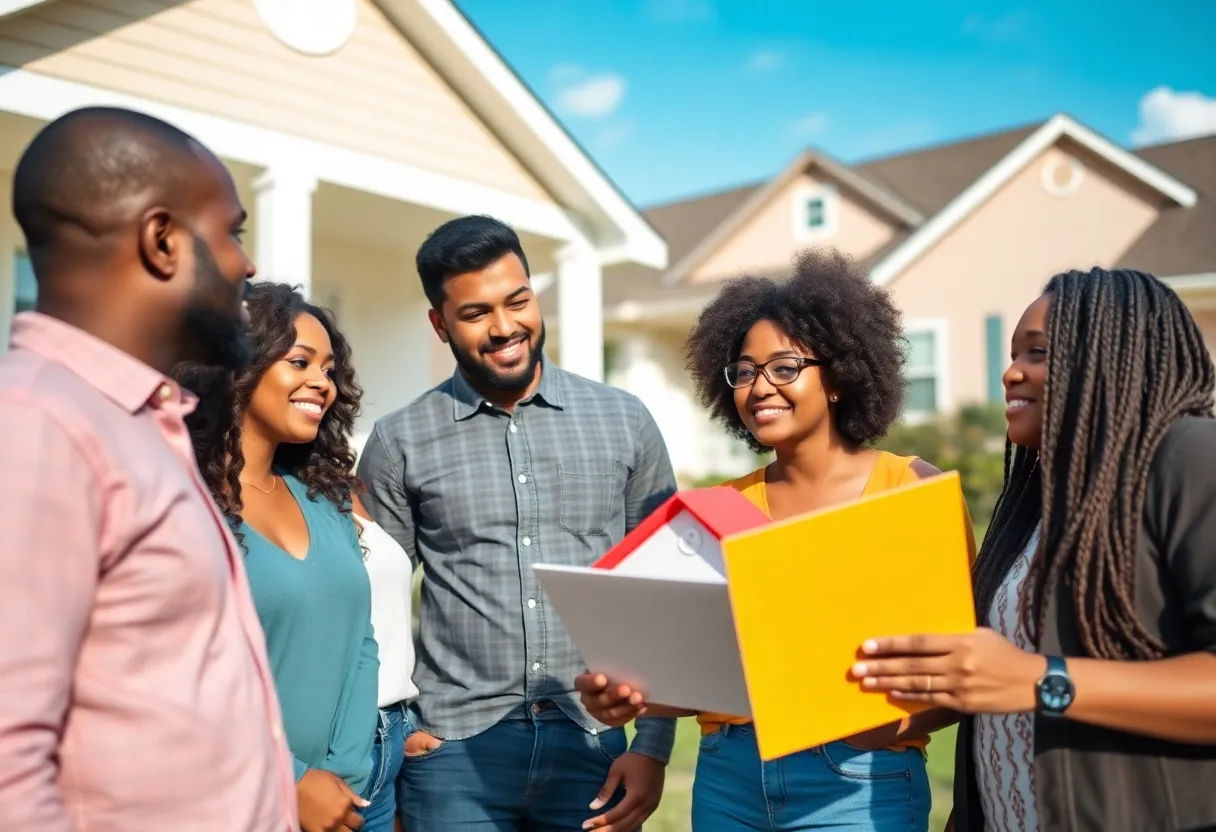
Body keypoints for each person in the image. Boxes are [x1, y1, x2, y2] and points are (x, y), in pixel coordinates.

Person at [577, 248, 973, 831]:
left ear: (838, 375)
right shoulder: (719, 508)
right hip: (729, 775)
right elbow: (705, 672)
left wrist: (878, 725)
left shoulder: (908, 487)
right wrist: (628, 697)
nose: (759, 386)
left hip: (860, 779)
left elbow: (965, 671)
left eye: (784, 367)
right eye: (743, 371)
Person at [0, 106, 297, 830]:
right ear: (162, 240)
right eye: (231, 232)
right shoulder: (39, 426)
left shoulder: (135, 420)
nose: (248, 266)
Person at [852, 267, 1216, 832]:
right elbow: (995, 700)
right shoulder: (1038, 498)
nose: (1010, 371)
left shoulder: (1191, 457)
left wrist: (1039, 680)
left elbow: (1024, 677)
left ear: (1111, 358)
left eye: (1039, 352)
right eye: (1015, 351)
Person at [356, 215, 677, 832]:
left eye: (518, 301)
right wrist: (394, 741)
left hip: (593, 744)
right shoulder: (399, 441)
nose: (505, 328)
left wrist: (651, 745)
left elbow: (663, 586)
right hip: (451, 752)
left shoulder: (625, 420)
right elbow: (375, 604)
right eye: (476, 313)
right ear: (439, 323)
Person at [174, 281, 388, 832]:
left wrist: (341, 780)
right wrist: (290, 780)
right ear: (240, 366)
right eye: (301, 362)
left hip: (337, 806)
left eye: (329, 369)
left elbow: (361, 644)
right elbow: (179, 678)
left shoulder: (326, 500)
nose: (324, 383)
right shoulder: (183, 507)